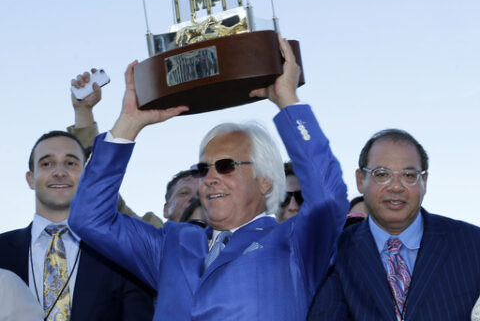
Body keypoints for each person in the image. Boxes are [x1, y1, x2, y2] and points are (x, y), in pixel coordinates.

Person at [68, 35, 349, 321]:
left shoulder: (294, 244)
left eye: (226, 166)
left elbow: (327, 197)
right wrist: (128, 123)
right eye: (204, 169)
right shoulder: (173, 245)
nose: (210, 178)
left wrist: (288, 101)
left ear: (265, 180)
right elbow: (88, 218)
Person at [308, 129, 480, 321]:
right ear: (360, 180)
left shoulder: (472, 244)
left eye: (409, 175)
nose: (396, 186)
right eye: (381, 174)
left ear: (424, 181)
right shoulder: (334, 254)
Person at [0, 131, 154, 320]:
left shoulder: (120, 254)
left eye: (71, 163)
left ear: (86, 177)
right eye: (47, 164)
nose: (59, 172)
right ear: (30, 179)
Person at [69, 69, 163, 227]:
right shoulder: (153, 236)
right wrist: (83, 112)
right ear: (168, 208)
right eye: (184, 193)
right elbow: (96, 192)